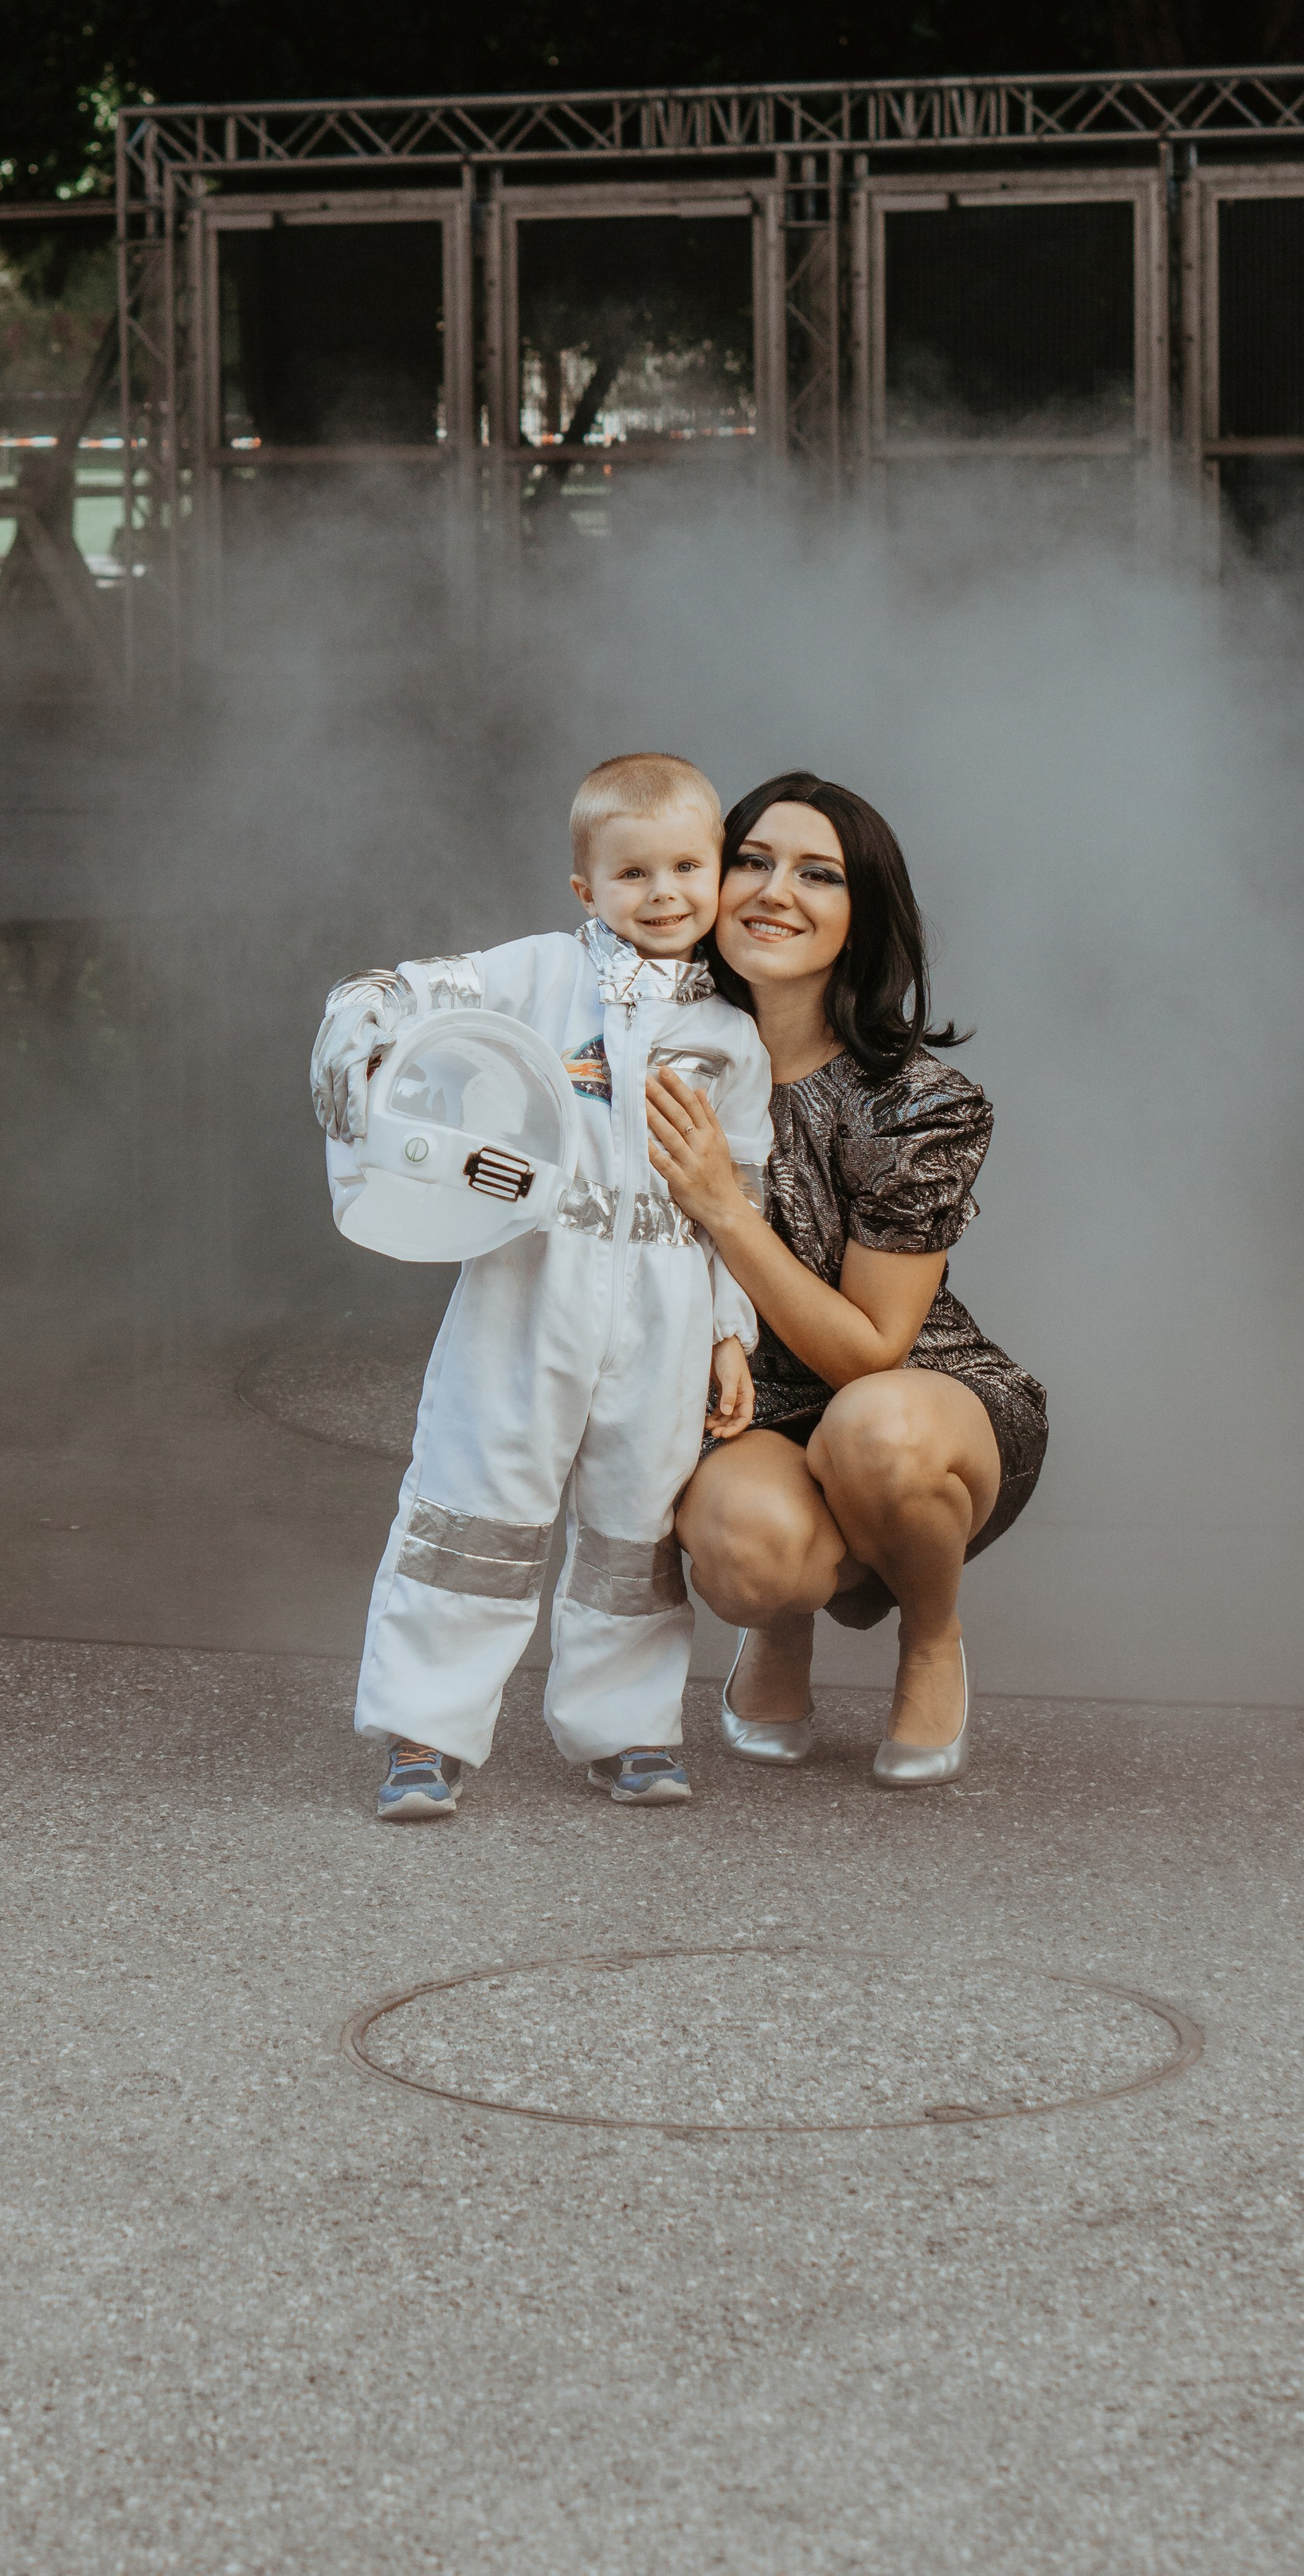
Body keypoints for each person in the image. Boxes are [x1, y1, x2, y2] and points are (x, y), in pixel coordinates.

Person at [311, 753, 773, 1820]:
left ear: (718, 872)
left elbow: (737, 1200)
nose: (663, 894)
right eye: (633, 873)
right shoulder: (536, 973)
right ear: (586, 888)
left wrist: (728, 1329)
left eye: (686, 868)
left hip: (667, 1302)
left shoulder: (731, 1037)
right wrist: (362, 1032)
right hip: (529, 1281)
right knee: (474, 1505)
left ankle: (630, 1729)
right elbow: (404, 994)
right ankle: (424, 1733)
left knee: (636, 1525)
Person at [647, 772, 1047, 1788]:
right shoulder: (652, 1060)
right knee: (750, 1553)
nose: (775, 891)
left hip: (916, 1399)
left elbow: (872, 1351)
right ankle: (781, 1630)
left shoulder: (917, 1103)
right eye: (752, 861)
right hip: (748, 1410)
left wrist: (725, 1209)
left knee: (874, 1425)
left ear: (861, 916)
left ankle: (932, 1639)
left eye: (817, 874)